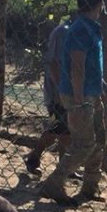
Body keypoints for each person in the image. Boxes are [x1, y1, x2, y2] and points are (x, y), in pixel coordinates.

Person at [38, 0, 107, 205]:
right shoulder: (80, 29)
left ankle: (90, 188)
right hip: (79, 95)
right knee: (84, 143)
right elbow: (77, 67)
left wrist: (105, 88)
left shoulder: (91, 27)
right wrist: (79, 100)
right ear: (100, 4)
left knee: (99, 140)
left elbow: (90, 67)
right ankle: (54, 184)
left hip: (90, 92)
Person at [24, 16, 72, 174]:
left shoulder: (72, 31)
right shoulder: (63, 32)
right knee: (56, 128)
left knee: (65, 130)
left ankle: (64, 166)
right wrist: (60, 91)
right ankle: (34, 157)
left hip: (67, 90)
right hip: (58, 93)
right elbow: (54, 63)